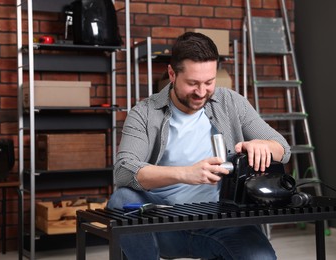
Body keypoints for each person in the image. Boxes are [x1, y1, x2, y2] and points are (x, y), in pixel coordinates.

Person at [107, 32, 291, 260]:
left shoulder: (231, 102)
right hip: (164, 223)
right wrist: (186, 173)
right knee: (121, 200)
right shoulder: (144, 113)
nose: (202, 92)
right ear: (172, 74)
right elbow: (124, 171)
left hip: (221, 221)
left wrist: (263, 145)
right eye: (193, 83)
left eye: (209, 82)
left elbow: (282, 148)